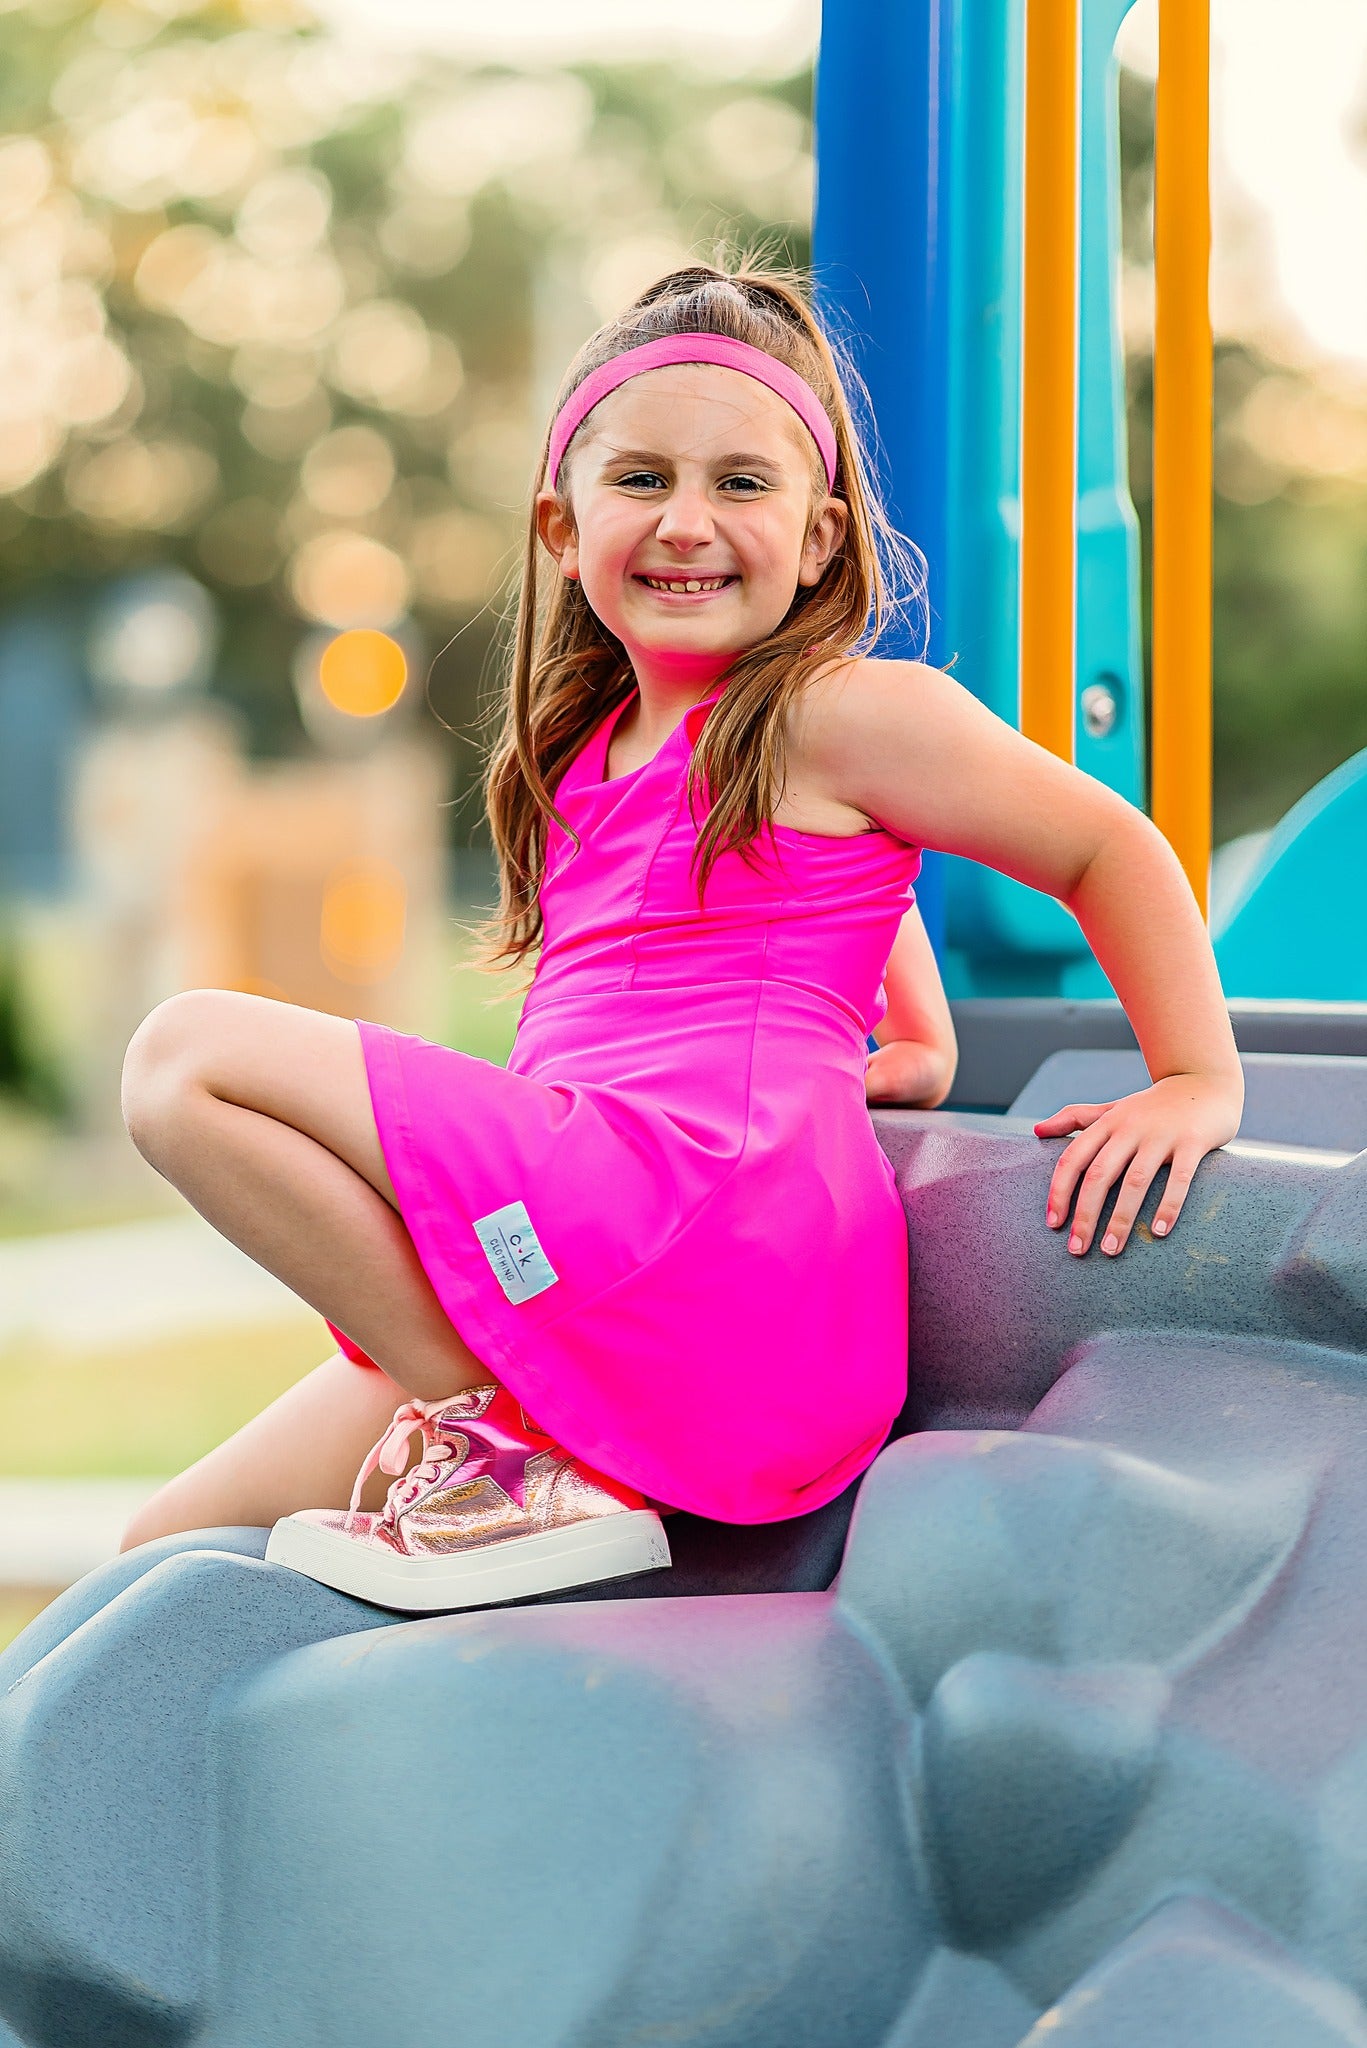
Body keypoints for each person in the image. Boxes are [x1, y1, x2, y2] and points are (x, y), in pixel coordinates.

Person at [118, 262, 1243, 1612]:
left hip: (696, 1242)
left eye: (743, 484)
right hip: (603, 1243)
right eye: (641, 479)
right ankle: (501, 1425)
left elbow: (1105, 844)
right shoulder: (588, 754)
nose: (688, 522)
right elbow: (845, 896)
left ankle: (505, 1435)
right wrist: (917, 1042)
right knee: (160, 1551)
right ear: (561, 522)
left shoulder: (844, 713)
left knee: (185, 1059)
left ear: (823, 537)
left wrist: (1194, 1076)